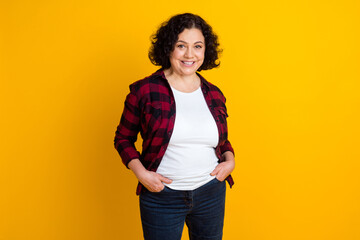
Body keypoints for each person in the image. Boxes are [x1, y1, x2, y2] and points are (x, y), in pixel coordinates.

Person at [114, 13, 235, 240]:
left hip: (211, 192)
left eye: (197, 46)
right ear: (169, 48)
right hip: (162, 197)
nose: (190, 54)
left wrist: (230, 160)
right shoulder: (144, 91)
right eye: (181, 46)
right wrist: (141, 174)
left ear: (205, 51)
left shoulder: (215, 93)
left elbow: (221, 141)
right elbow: (122, 138)